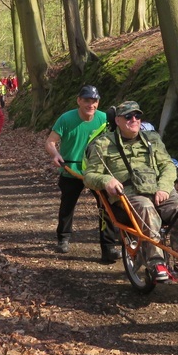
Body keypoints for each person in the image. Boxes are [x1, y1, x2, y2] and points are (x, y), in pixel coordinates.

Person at [83, 101, 178, 281]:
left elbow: (168, 165)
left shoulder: (152, 139)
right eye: (128, 116)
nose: (134, 120)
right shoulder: (103, 144)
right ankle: (156, 260)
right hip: (130, 193)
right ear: (118, 120)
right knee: (145, 207)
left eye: (137, 116)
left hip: (160, 190)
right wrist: (106, 180)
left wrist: (164, 188)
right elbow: (89, 175)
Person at [45, 85, 120, 262]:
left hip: (96, 172)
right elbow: (50, 142)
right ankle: (63, 237)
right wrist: (56, 155)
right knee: (68, 205)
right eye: (86, 100)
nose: (91, 104)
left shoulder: (104, 119)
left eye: (94, 101)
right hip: (71, 169)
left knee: (106, 206)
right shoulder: (66, 119)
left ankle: (108, 248)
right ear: (79, 100)